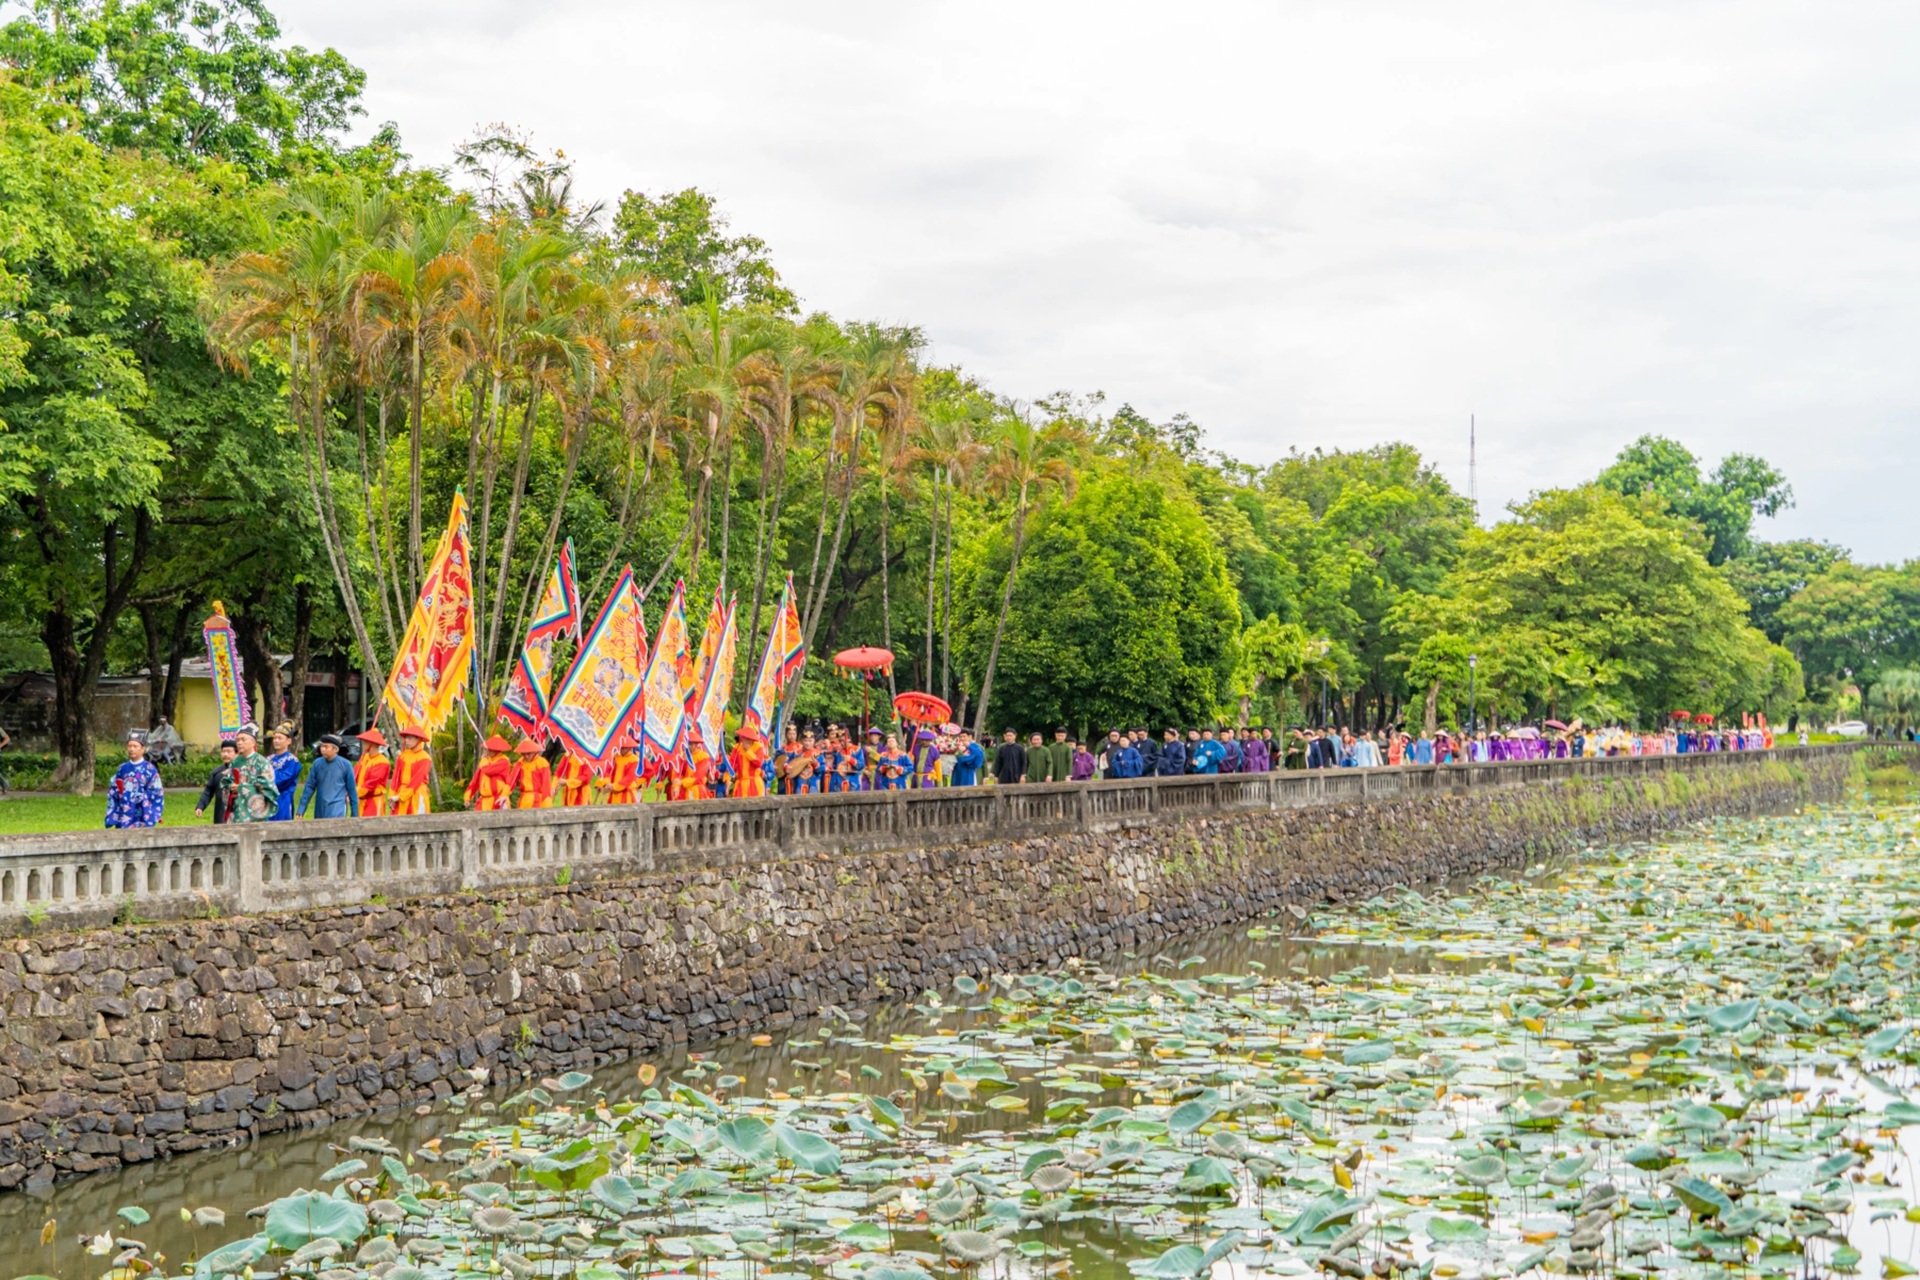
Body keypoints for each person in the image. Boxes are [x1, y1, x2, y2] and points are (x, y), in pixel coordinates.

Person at [105, 729, 165, 828]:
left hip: (142, 813)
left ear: (143, 749)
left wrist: (141, 799)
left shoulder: (150, 769)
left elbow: (156, 792)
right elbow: (114, 788)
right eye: (129, 746)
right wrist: (121, 794)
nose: (132, 749)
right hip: (124, 812)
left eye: (135, 746)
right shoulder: (122, 768)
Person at [298, 733, 359, 818]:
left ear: (335, 749)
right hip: (320, 807)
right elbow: (309, 786)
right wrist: (301, 809)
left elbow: (352, 791)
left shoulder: (346, 765)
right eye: (322, 746)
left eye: (326, 747)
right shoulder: (317, 764)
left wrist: (354, 815)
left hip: (338, 807)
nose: (323, 749)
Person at [227, 724, 280, 822]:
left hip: (256, 813)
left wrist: (242, 788)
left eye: (243, 740)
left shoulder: (262, 762)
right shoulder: (235, 762)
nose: (239, 743)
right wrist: (230, 786)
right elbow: (228, 780)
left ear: (253, 742)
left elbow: (268, 786)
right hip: (237, 810)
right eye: (238, 740)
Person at [390, 728, 434, 815]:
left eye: (410, 738)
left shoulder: (425, 758)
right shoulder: (403, 755)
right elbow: (396, 777)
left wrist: (400, 796)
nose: (406, 740)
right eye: (406, 738)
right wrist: (392, 795)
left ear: (418, 739)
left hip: (417, 794)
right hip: (401, 793)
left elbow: (416, 780)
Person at [465, 735, 515, 811]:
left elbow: (488, 771)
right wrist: (467, 797)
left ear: (498, 750)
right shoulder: (485, 761)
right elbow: (475, 781)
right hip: (483, 801)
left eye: (491, 749)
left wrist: (483, 760)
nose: (488, 751)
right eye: (489, 749)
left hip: (498, 800)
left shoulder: (504, 761)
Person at [195, 740, 238, 824]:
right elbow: (208, 791)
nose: (225, 754)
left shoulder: (242, 771)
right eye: (223, 751)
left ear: (237, 753)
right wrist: (200, 806)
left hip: (238, 813)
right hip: (221, 813)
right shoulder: (217, 773)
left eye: (229, 751)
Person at [268, 723, 302, 821]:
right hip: (267, 799)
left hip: (283, 800)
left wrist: (266, 776)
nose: (276, 741)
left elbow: (282, 781)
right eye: (275, 738)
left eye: (279, 738)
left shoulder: (292, 761)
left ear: (289, 741)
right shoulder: (268, 759)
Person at [355, 729, 393, 816]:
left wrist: (354, 792)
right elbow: (355, 773)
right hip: (361, 800)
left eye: (365, 742)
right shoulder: (364, 757)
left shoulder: (382, 761)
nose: (363, 744)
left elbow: (371, 783)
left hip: (374, 801)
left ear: (371, 744)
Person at [730, 724, 770, 798]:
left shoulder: (758, 746)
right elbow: (732, 763)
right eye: (745, 737)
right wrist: (732, 774)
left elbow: (758, 763)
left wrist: (748, 750)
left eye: (749, 737)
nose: (746, 739)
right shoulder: (737, 747)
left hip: (753, 783)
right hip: (740, 783)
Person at [514, 738, 554, 807]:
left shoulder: (542, 763)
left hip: (537, 800)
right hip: (524, 799)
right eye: (523, 754)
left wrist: (547, 804)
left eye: (529, 754)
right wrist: (504, 794)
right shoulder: (520, 762)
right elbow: (512, 779)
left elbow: (546, 785)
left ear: (534, 752)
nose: (526, 756)